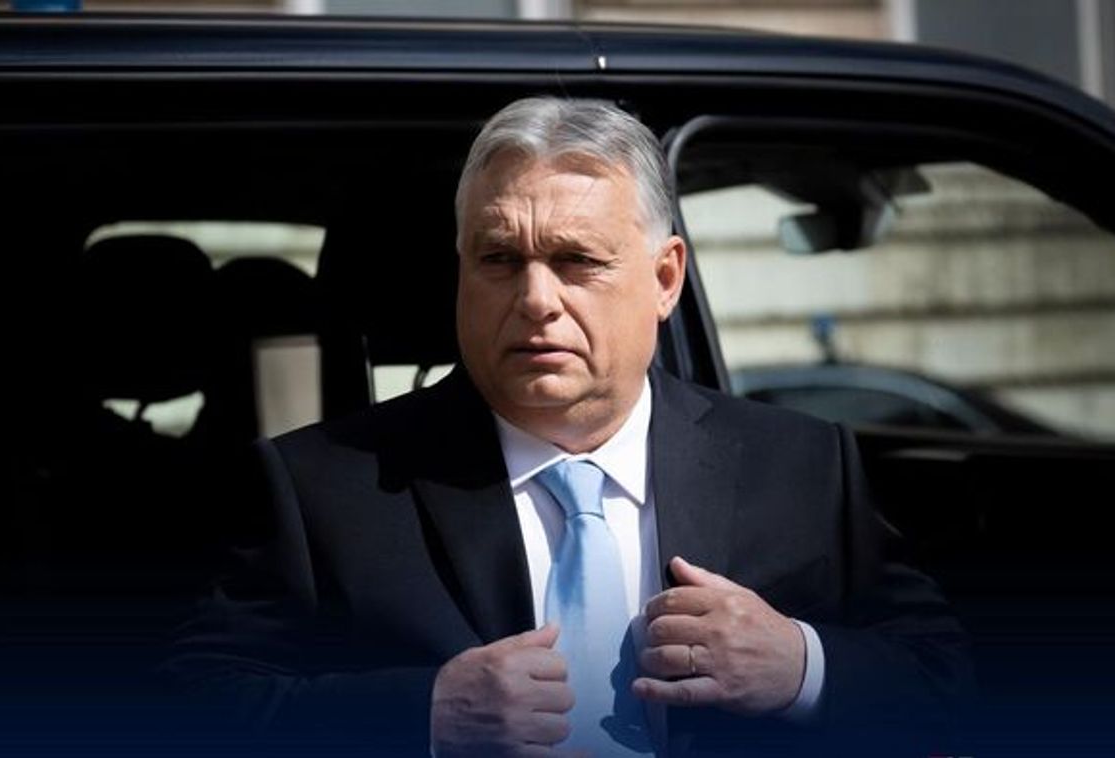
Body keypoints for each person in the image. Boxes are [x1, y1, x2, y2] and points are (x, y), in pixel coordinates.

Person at [168, 97, 972, 757]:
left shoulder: (799, 466)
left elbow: (944, 684)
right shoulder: (324, 485)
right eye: (498, 260)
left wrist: (799, 667)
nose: (535, 300)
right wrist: (424, 715)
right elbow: (192, 709)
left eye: (576, 260)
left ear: (664, 278)